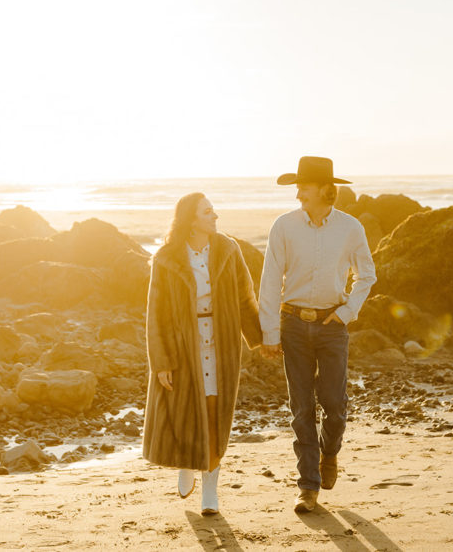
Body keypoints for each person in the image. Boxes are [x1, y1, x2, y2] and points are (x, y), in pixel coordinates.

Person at [258, 156, 376, 513]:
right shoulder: (283, 226)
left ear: (326, 190)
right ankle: (307, 486)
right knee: (302, 409)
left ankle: (330, 453)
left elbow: (366, 275)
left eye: (304, 188)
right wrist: (269, 332)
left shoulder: (351, 227)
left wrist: (346, 312)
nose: (298, 195)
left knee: (335, 405)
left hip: (332, 327)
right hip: (292, 325)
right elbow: (269, 281)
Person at [142, 192, 264, 516]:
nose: (215, 216)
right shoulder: (166, 257)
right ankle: (187, 461)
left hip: (220, 340)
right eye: (208, 212)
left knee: (214, 413)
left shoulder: (228, 249)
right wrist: (162, 361)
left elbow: (245, 298)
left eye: (213, 210)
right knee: (186, 412)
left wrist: (262, 339)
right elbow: (157, 313)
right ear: (191, 220)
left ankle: (210, 485)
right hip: (183, 344)